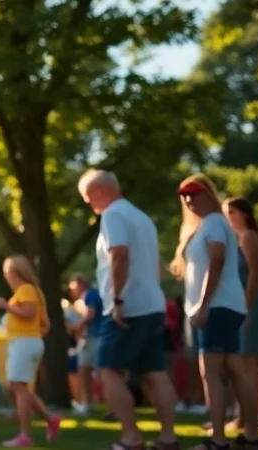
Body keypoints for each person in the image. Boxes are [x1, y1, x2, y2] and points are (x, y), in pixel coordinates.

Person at [77, 169, 179, 449]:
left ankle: (131, 437)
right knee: (154, 371)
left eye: (87, 196)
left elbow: (118, 255)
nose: (88, 203)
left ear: (99, 190)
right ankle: (168, 438)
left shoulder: (112, 215)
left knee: (107, 370)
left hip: (127, 307)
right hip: (152, 303)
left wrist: (118, 299)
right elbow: (157, 264)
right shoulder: (142, 217)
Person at [171, 174, 258, 449]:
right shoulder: (211, 224)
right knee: (235, 369)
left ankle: (218, 440)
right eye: (184, 195)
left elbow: (217, 259)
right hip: (224, 306)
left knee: (212, 372)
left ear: (208, 193)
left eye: (194, 192)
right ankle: (251, 437)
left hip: (217, 307)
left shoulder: (213, 223)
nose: (189, 199)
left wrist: (203, 304)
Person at [0, 255, 61, 447]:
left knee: (19, 388)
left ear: (13, 273)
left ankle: (25, 435)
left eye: (6, 273)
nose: (6, 277)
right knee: (17, 386)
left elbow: (29, 315)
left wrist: (6, 306)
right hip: (25, 342)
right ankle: (50, 419)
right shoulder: (28, 291)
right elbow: (43, 323)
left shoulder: (26, 290)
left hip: (24, 343)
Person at [225, 197, 258, 436]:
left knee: (251, 364)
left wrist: (244, 308)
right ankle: (252, 416)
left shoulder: (249, 237)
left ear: (244, 213)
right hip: (255, 304)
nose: (227, 216)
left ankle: (249, 418)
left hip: (256, 304)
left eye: (231, 211)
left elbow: (254, 275)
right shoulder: (241, 239)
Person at [67, 274, 104, 415]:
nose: (72, 292)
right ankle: (86, 403)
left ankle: (89, 403)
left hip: (95, 338)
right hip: (90, 338)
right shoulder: (89, 296)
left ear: (81, 284)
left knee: (99, 372)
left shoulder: (90, 295)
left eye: (73, 288)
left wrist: (76, 325)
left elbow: (90, 315)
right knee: (84, 369)